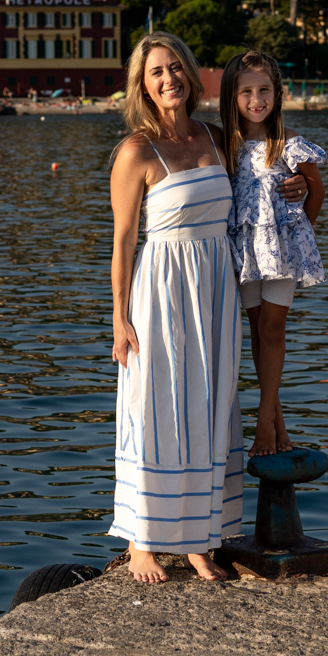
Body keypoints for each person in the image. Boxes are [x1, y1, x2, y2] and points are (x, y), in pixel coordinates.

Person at [108, 32, 241, 583]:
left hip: (216, 286)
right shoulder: (136, 151)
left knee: (209, 405)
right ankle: (143, 539)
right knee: (156, 407)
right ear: (143, 85)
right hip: (161, 288)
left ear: (190, 73)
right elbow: (122, 240)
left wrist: (301, 189)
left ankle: (197, 538)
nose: (169, 79)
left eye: (176, 69)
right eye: (156, 73)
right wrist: (119, 317)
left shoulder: (216, 137)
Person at [219, 50, 326, 456]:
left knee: (273, 330)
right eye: (246, 91)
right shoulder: (222, 146)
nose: (256, 99)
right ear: (232, 96)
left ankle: (263, 422)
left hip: (280, 252)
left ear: (277, 94)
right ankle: (277, 422)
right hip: (243, 251)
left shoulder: (288, 145)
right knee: (256, 334)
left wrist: (298, 237)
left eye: (264, 90)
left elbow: (315, 191)